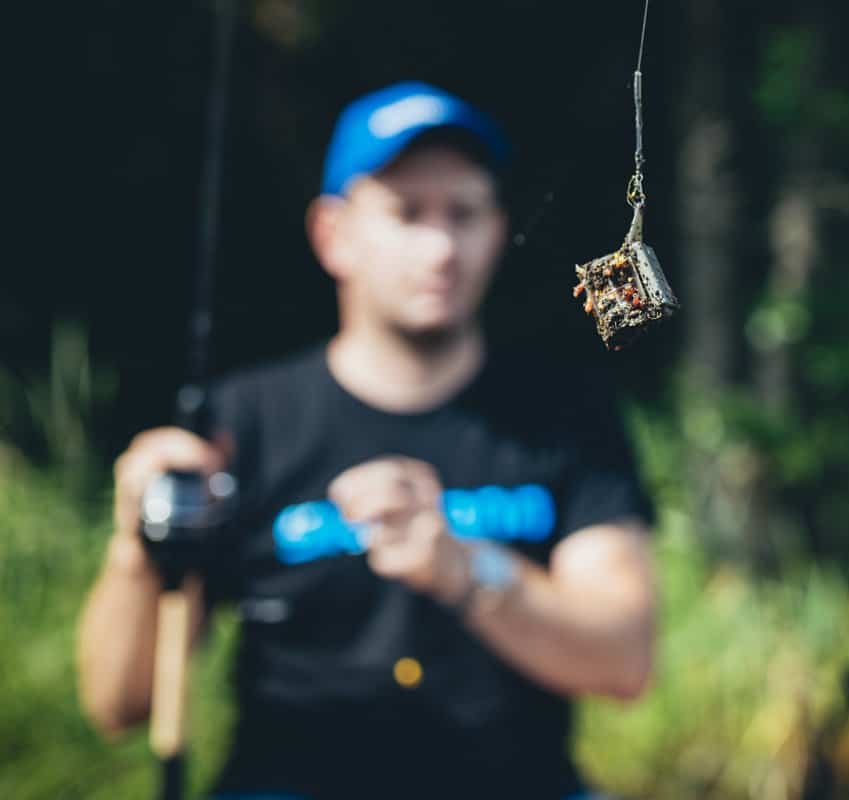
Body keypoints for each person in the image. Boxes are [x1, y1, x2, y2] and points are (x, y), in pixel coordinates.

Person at [77, 81, 657, 799]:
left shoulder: (567, 417)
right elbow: (118, 706)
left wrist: (463, 565)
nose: (441, 246)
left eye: (465, 213)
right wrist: (138, 549)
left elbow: (625, 661)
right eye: (407, 213)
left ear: (497, 230)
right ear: (333, 235)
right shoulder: (240, 424)